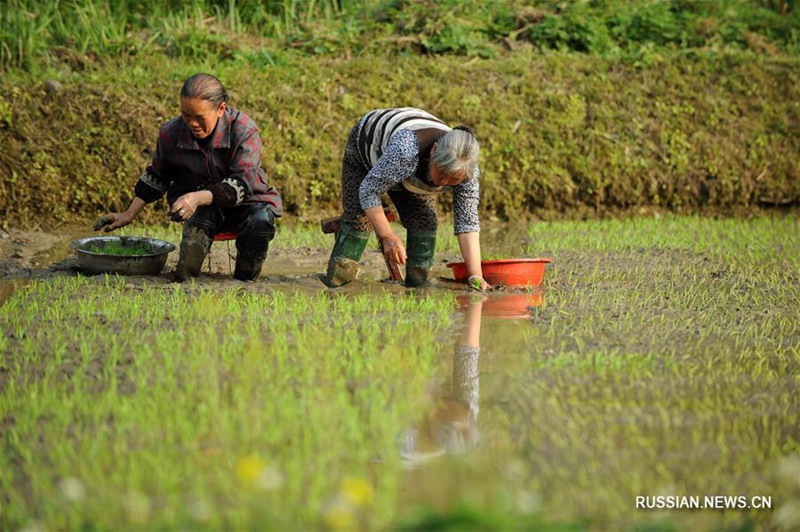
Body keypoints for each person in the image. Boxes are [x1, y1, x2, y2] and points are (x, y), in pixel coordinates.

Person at [95, 73, 282, 281]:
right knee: (186, 272)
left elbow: (240, 185)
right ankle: (186, 280)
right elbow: (157, 176)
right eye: (186, 115)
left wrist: (195, 197)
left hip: (246, 206)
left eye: (199, 117)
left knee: (261, 221)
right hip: (201, 210)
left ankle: (246, 280)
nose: (192, 123)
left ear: (221, 109)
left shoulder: (243, 130)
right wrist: (128, 214)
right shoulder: (170, 133)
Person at [323, 107, 490, 289]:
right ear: (434, 151)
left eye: (453, 179)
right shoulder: (407, 150)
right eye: (442, 173)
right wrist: (387, 236)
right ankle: (337, 284)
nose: (444, 182)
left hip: (409, 168)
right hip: (366, 148)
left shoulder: (468, 172)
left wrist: (476, 275)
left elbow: (467, 222)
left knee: (424, 221)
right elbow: (369, 190)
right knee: (359, 218)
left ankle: (417, 288)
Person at [400, 295, 482, 466]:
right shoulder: (468, 410)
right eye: (450, 401)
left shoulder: (407, 433)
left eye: (441, 404)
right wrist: (476, 302)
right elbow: (467, 353)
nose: (443, 398)